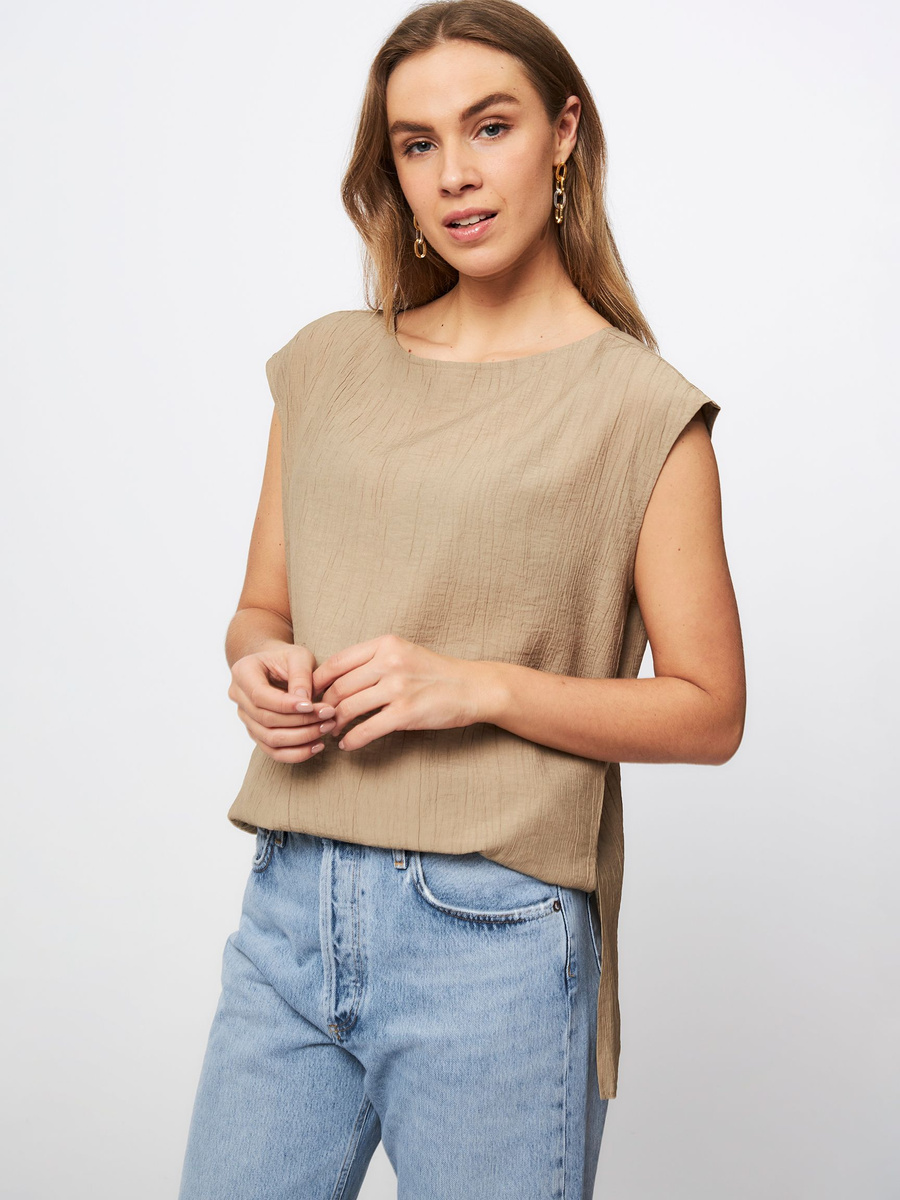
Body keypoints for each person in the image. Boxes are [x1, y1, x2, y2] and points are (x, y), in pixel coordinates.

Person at [177, 1, 746, 1197]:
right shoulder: (328, 366)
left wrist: (474, 688)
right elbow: (261, 609)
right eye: (417, 143)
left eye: (490, 127)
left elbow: (710, 710)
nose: (455, 175)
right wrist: (256, 667)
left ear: (563, 133)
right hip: (290, 905)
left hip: (494, 934)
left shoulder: (641, 410)